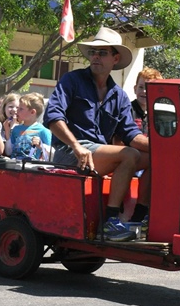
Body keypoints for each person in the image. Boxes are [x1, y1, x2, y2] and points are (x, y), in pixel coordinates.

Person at [43, 27, 150, 242]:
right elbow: (52, 116)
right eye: (93, 52)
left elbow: (130, 133)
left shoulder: (119, 96)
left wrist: (167, 147)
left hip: (97, 156)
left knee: (155, 159)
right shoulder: (72, 80)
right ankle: (110, 224)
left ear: (115, 58)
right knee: (129, 155)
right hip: (69, 153)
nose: (95, 57)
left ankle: (138, 218)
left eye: (102, 53)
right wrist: (76, 146)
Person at [5, 93, 51, 160]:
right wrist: (7, 132)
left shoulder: (43, 131)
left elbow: (51, 155)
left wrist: (41, 145)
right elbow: (8, 152)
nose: (16, 111)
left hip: (30, 167)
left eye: (21, 109)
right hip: (14, 166)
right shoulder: (16, 129)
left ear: (32, 112)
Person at [131, 67, 163, 135]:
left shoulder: (156, 116)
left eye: (149, 88)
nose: (144, 91)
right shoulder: (127, 110)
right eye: (141, 87)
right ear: (135, 89)